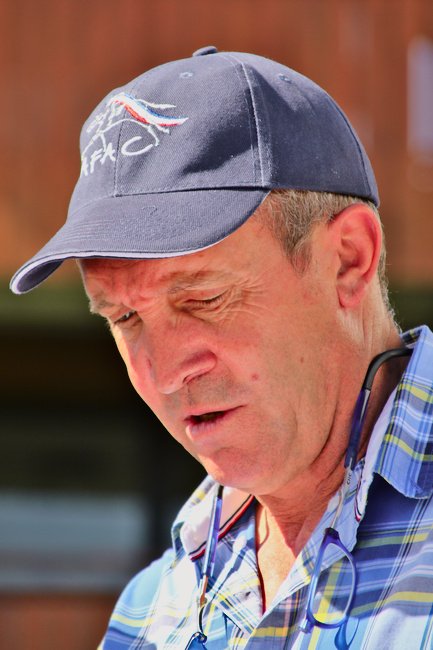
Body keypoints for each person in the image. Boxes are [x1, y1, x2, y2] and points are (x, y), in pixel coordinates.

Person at [10, 47, 433, 649]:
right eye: (125, 317)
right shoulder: (151, 611)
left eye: (202, 298)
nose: (165, 371)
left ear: (348, 260)